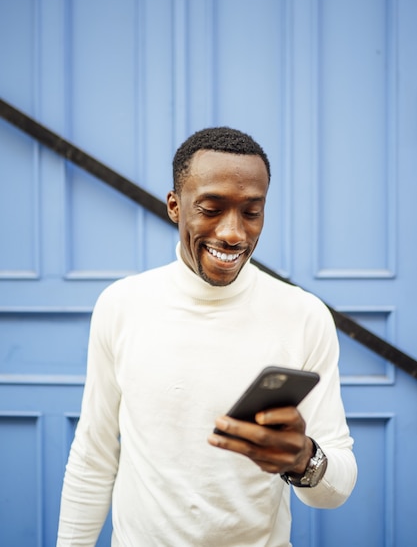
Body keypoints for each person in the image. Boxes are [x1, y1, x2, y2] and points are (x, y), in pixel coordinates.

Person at [56, 127, 357, 547]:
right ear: (175, 206)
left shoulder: (303, 315)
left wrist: (304, 459)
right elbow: (93, 455)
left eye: (252, 212)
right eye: (211, 209)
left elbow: (336, 489)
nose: (234, 233)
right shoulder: (122, 305)